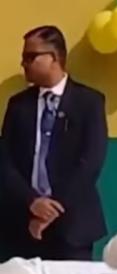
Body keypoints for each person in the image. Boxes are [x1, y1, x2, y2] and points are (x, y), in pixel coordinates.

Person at [0, 26, 108, 261]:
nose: (24, 64)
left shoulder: (88, 102)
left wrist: (51, 209)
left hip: (72, 228)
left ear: (54, 57)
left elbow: (90, 163)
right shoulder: (18, 105)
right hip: (23, 225)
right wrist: (32, 202)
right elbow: (5, 162)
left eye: (31, 57)